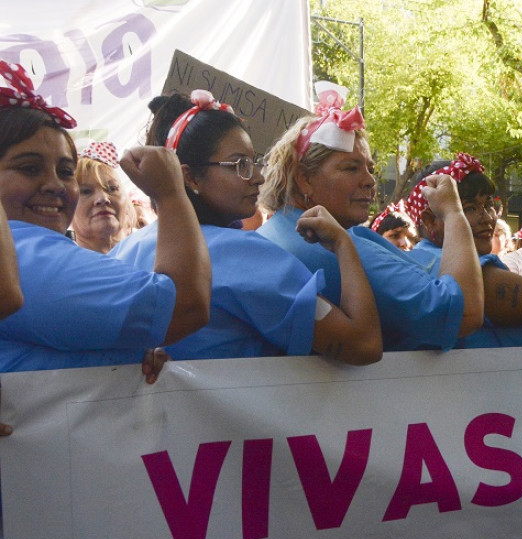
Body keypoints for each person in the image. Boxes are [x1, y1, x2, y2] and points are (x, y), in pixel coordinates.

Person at [114, 89, 381, 365]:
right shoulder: (242, 255)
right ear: (190, 176)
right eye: (240, 164)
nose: (258, 177)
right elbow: (363, 344)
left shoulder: (125, 250)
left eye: (254, 162)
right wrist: (343, 245)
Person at [0, 60, 211, 374]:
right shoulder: (24, 254)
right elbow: (185, 307)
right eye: (29, 168)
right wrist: (170, 194)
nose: (56, 185)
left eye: (66, 172)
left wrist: (120, 357)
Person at [258, 85, 482, 352]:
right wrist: (453, 213)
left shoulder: (281, 231)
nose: (369, 181)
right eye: (351, 168)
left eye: (370, 169)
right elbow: (464, 313)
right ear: (304, 179)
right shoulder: (327, 243)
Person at [406, 154, 522, 348]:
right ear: (430, 221)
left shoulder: (421, 261)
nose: (486, 218)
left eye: (488, 205)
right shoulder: (462, 271)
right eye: (468, 208)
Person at [71, 141, 129, 253]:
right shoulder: (61, 267)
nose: (102, 198)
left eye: (112, 188)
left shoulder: (152, 254)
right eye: (86, 191)